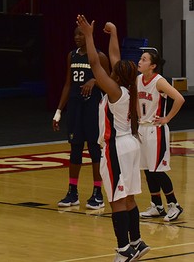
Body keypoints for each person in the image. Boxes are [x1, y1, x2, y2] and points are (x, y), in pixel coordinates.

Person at [77, 15, 150, 262]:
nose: (112, 68)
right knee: (128, 197)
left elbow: (95, 64)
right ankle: (137, 242)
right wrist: (115, 33)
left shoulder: (116, 92)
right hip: (130, 145)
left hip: (116, 147)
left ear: (116, 76)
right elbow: (116, 58)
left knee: (117, 200)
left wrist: (89, 36)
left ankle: (123, 250)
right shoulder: (130, 88)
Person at [53, 26, 110, 209]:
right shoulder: (72, 55)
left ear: (88, 36)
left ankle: (97, 193)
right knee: (75, 149)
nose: (77, 37)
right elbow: (68, 84)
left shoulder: (99, 57)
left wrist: (95, 80)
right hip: (76, 107)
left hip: (93, 108)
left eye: (81, 34)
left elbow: (111, 82)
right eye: (75, 34)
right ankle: (72, 192)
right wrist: (59, 111)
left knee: (95, 150)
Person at [137, 49, 185, 222]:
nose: (139, 61)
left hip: (155, 130)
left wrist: (167, 118)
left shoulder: (159, 81)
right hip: (142, 128)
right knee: (148, 170)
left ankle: (174, 205)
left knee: (157, 170)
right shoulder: (138, 80)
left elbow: (179, 98)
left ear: (153, 66)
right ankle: (157, 205)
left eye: (143, 59)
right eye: (140, 59)